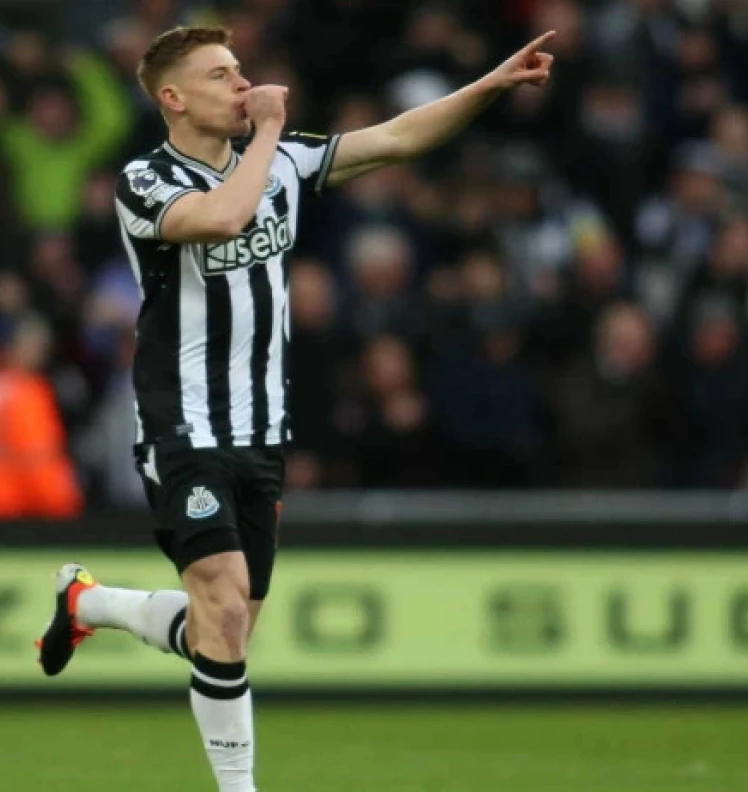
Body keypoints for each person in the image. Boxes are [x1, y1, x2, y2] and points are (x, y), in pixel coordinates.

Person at [35, 24, 556, 792]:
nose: (243, 84)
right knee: (217, 596)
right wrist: (271, 130)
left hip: (261, 423)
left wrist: (486, 87)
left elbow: (398, 139)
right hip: (184, 420)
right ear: (173, 99)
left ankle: (91, 602)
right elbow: (220, 219)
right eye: (221, 76)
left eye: (241, 70)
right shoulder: (146, 180)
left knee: (229, 626)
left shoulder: (277, 160)